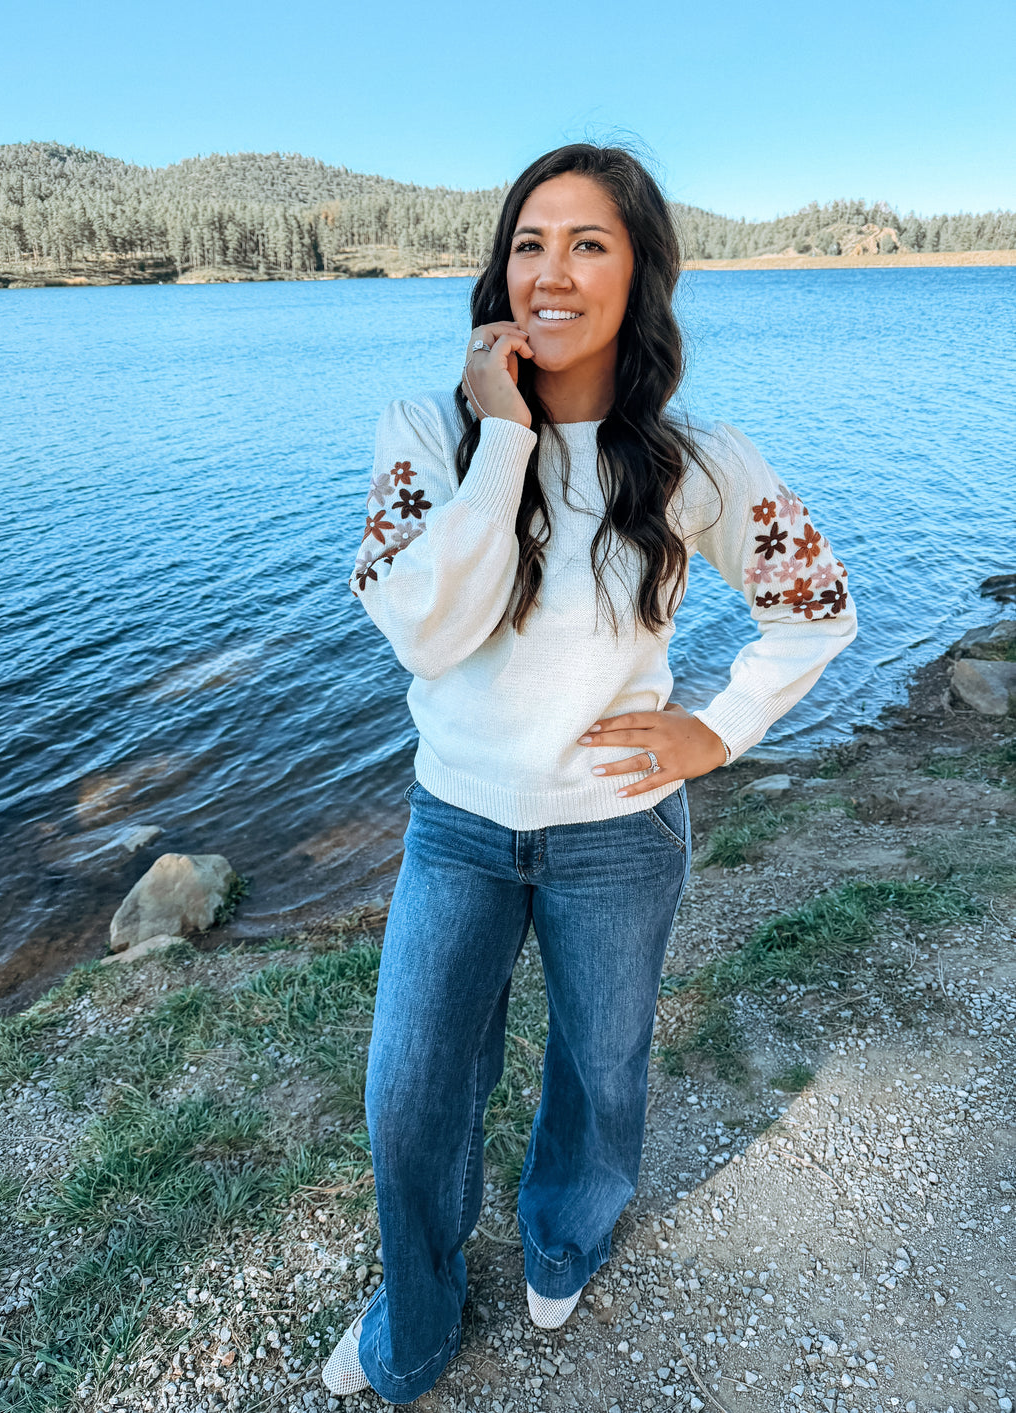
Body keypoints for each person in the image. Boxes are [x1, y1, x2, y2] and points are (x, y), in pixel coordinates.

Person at [325, 142, 857, 1403]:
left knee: (601, 1067)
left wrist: (715, 731)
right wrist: (504, 441)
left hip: (618, 831)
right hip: (455, 823)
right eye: (528, 243)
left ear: (639, 278)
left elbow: (816, 606)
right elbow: (421, 628)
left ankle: (564, 1234)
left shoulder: (692, 463)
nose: (551, 272)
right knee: (411, 1092)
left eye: (588, 244)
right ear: (498, 271)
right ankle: (418, 1315)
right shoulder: (426, 440)